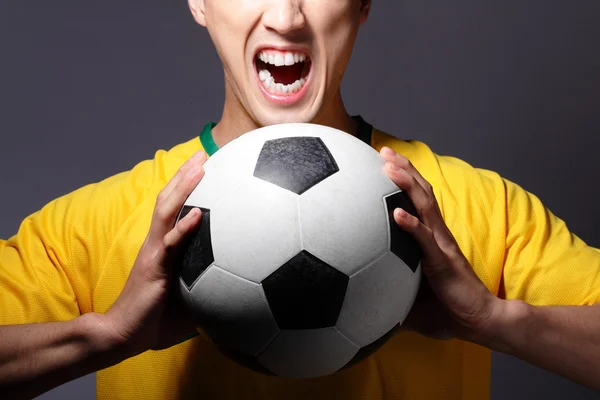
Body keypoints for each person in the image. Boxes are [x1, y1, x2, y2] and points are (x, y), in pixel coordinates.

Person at [1, 1, 599, 399]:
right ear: (201, 2)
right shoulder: (93, 224)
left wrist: (494, 321)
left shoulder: (474, 207)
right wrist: (104, 338)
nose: (286, 17)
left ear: (362, 3)